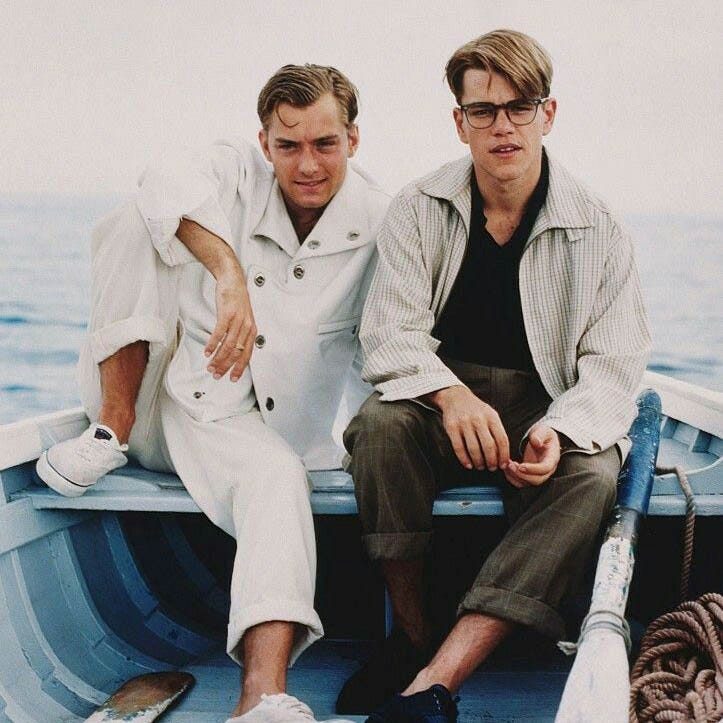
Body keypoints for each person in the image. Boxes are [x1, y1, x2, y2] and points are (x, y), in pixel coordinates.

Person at [36, 63, 389, 723]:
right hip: (155, 403)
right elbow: (159, 181)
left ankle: (260, 699)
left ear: (354, 139)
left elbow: (383, 348)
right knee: (131, 222)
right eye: (287, 145)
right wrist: (226, 270)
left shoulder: (379, 221)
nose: (306, 164)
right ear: (264, 143)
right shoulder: (232, 171)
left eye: (324, 143)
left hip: (247, 431)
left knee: (278, 478)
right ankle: (107, 429)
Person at [336, 29, 651, 722]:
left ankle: (435, 681)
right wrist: (450, 395)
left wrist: (560, 428)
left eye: (519, 107)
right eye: (483, 110)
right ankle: (411, 637)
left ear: (547, 113)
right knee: (379, 429)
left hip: (545, 403)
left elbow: (614, 365)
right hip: (437, 399)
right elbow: (387, 334)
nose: (502, 126)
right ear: (460, 122)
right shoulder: (418, 207)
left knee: (593, 475)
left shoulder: (599, 226)